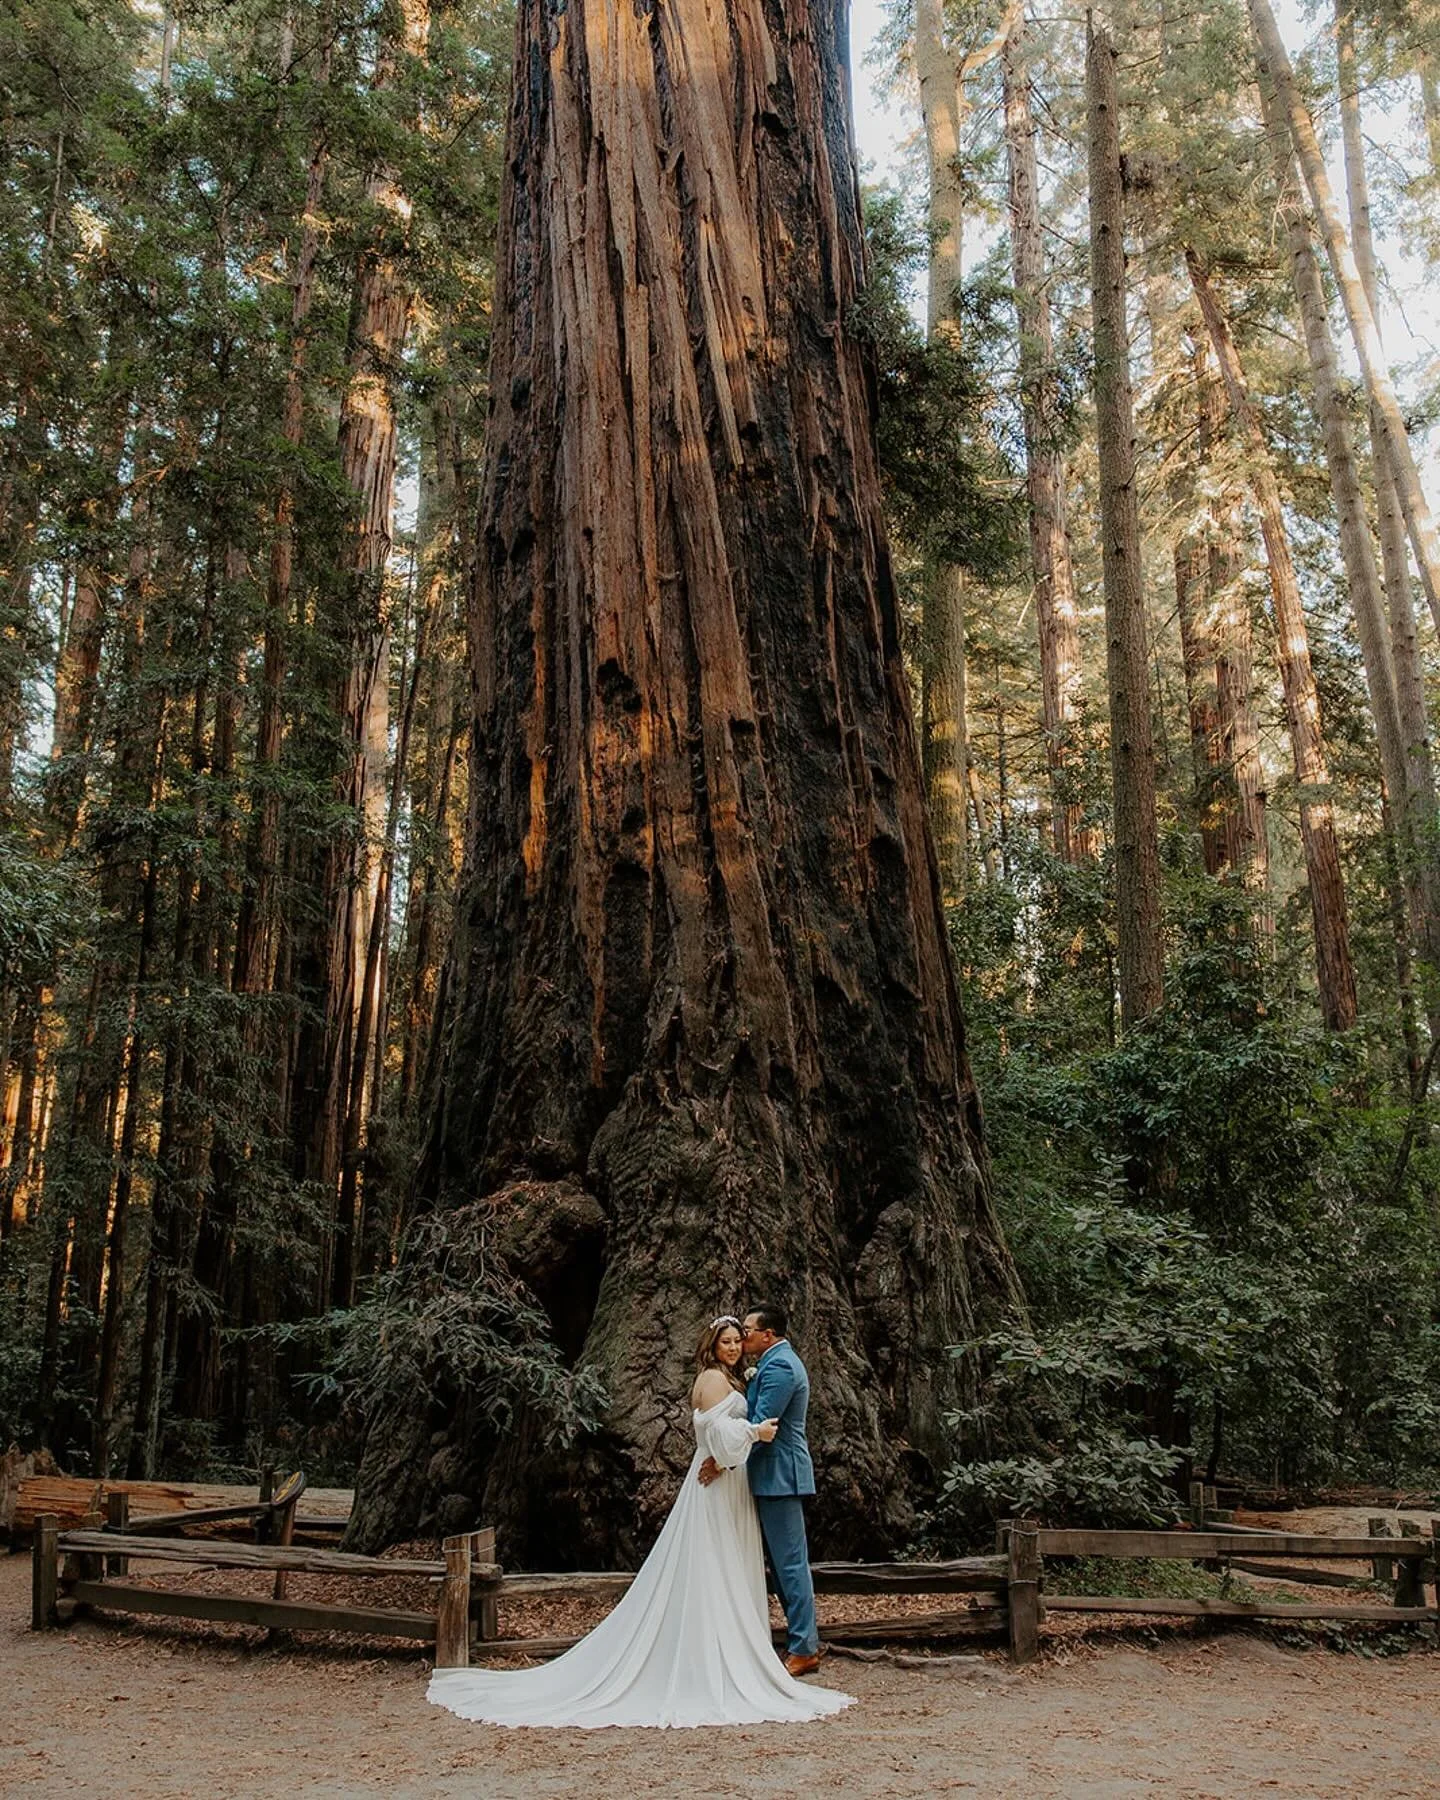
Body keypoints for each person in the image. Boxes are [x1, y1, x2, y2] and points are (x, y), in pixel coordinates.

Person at [426, 1315, 852, 1729]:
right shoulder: (715, 1379)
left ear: (763, 1336)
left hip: (746, 1480)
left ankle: (782, 1646)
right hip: (724, 1481)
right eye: (728, 1341)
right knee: (719, 1565)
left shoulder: (763, 1370)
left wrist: (731, 1453)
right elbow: (727, 1433)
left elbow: (747, 1425)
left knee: (762, 1563)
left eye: (742, 1337)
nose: (737, 1345)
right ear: (712, 1345)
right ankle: (730, 1652)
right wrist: (732, 1454)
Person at [698, 1302, 821, 1675]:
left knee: (790, 1563)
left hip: (780, 1475)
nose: (743, 1337)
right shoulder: (768, 1364)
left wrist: (722, 1460)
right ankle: (799, 1640)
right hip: (767, 1476)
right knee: (781, 1563)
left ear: (768, 1335)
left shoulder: (781, 1366)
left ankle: (804, 1647)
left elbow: (762, 1423)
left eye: (748, 1331)